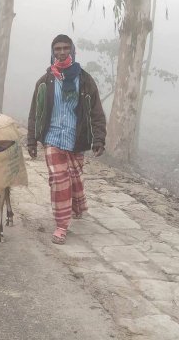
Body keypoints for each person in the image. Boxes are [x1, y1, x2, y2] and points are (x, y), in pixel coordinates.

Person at [26, 34, 106, 245]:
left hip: (75, 139)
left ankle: (76, 207)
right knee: (59, 180)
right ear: (52, 52)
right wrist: (32, 141)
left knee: (74, 178)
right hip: (52, 138)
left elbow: (96, 112)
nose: (61, 52)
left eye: (65, 48)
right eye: (57, 49)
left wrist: (99, 138)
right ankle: (61, 225)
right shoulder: (45, 82)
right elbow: (35, 112)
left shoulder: (85, 80)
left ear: (72, 51)